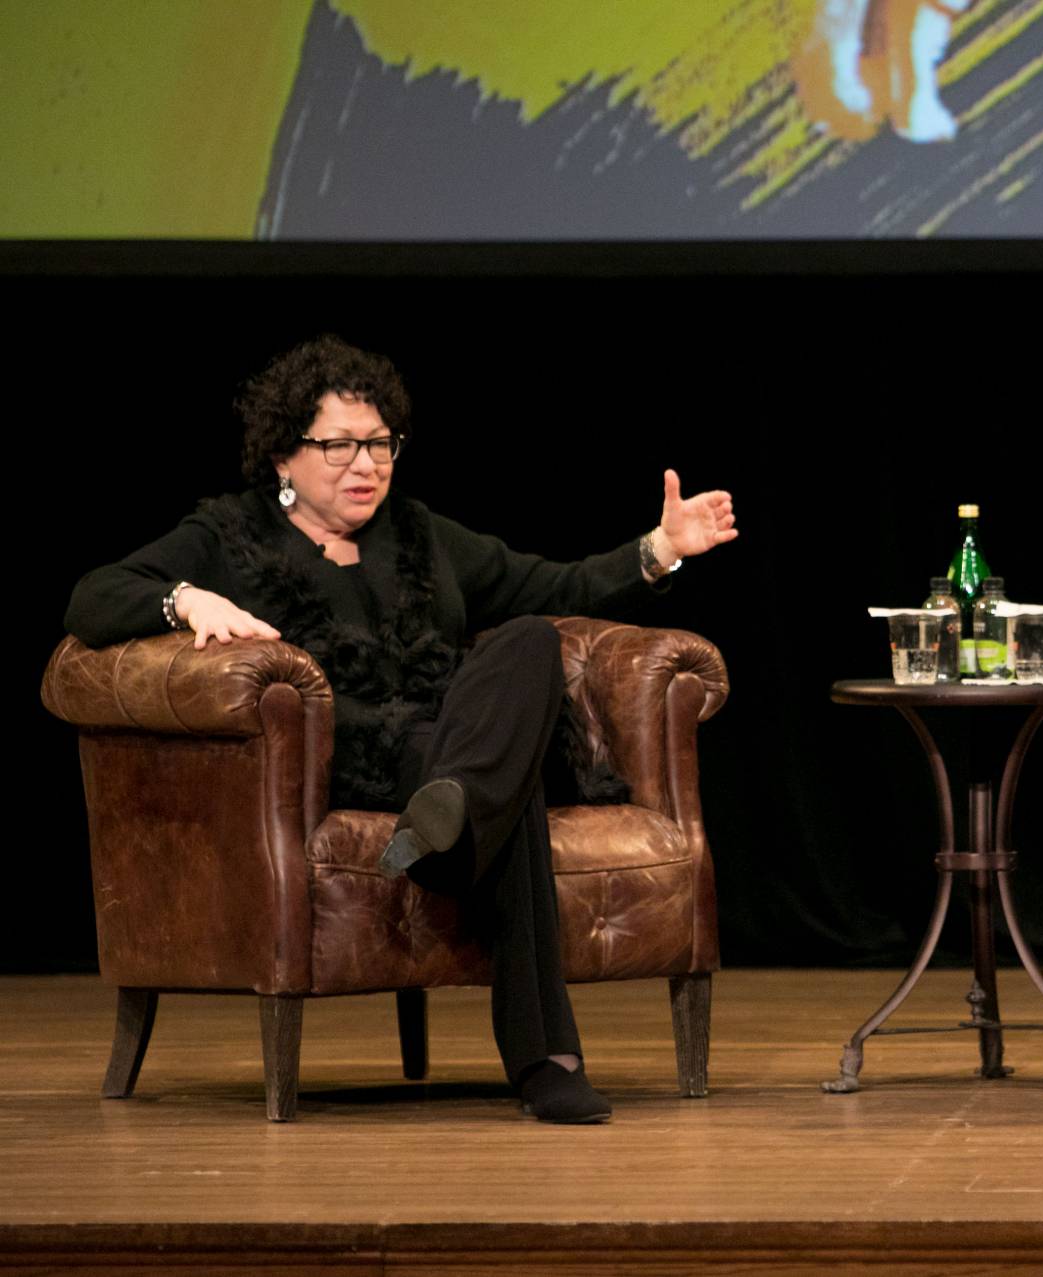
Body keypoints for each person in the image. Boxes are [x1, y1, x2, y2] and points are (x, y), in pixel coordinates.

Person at [65, 335, 739, 1124]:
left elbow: (557, 584)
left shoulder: (418, 533)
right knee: (510, 790)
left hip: (446, 749)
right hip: (339, 758)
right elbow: (94, 595)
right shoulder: (229, 535)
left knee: (528, 637)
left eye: (381, 444)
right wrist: (187, 600)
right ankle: (545, 1057)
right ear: (284, 454)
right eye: (341, 445)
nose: (367, 465)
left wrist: (660, 550)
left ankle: (454, 813)